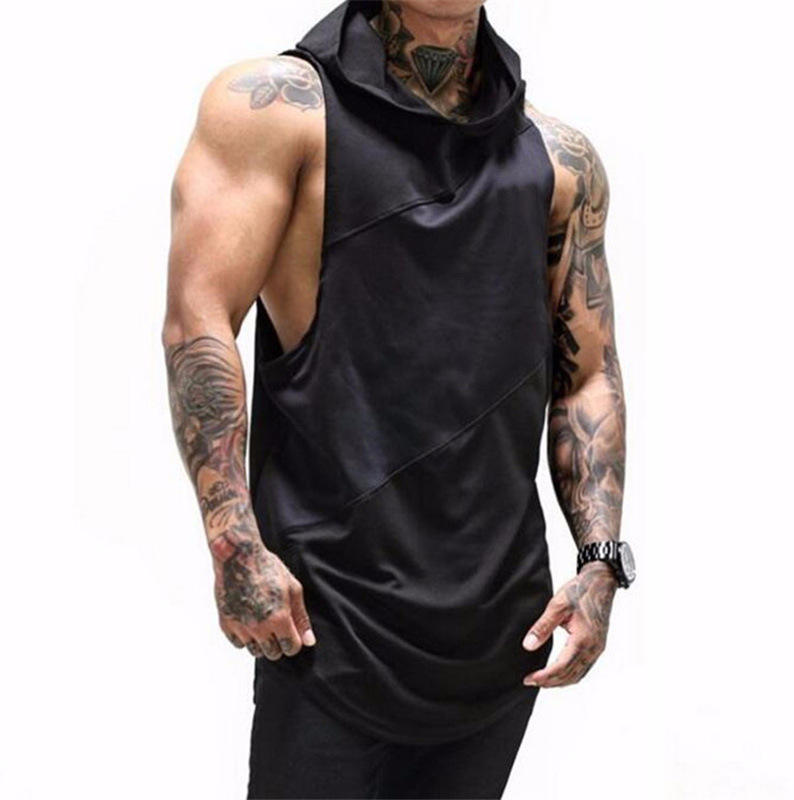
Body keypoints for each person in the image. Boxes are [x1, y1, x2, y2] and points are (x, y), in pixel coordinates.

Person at [163, 1, 634, 798]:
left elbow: (588, 372)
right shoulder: (274, 111)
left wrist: (599, 563)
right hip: (327, 626)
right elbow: (197, 321)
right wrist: (234, 543)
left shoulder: (561, 162)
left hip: (498, 637)